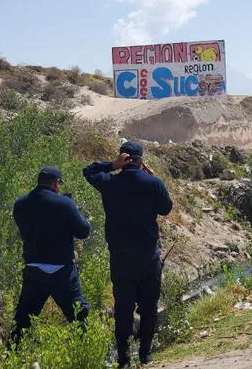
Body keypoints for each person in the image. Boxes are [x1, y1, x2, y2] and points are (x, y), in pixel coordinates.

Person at [83, 141, 173, 367]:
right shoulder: (153, 182)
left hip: (121, 257)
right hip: (148, 256)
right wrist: (154, 178)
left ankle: (123, 359)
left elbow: (89, 171)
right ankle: (145, 354)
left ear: (123, 159)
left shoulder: (110, 182)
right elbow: (166, 209)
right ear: (141, 159)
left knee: (123, 309)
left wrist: (112, 165)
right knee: (149, 307)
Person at [11, 166, 91, 344]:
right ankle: (86, 356)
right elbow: (83, 231)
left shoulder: (20, 203)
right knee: (79, 317)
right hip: (62, 271)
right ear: (56, 183)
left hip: (33, 270)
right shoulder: (64, 203)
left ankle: (9, 357)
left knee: (22, 321)